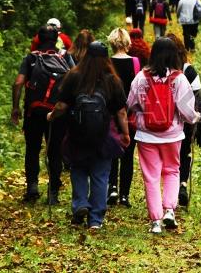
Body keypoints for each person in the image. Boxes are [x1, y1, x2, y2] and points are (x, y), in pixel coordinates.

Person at [47, 41, 130, 230]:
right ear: (106, 58)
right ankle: (95, 220)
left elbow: (61, 106)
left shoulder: (74, 76)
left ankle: (80, 204)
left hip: (77, 133)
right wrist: (125, 133)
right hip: (104, 135)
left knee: (78, 170)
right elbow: (121, 112)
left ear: (85, 56)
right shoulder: (112, 80)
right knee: (101, 176)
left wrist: (51, 116)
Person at [126, 38, 200, 234]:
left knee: (151, 177)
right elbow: (187, 111)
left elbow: (131, 103)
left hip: (146, 135)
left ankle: (155, 222)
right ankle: (169, 210)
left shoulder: (141, 77)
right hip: (173, 134)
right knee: (172, 171)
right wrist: (195, 118)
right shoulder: (179, 78)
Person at [11, 27, 70, 204]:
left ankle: (32, 188)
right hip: (57, 112)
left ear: (38, 39)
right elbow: (76, 79)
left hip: (34, 112)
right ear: (56, 39)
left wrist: (15, 108)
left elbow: (18, 83)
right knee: (55, 151)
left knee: (32, 149)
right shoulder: (65, 57)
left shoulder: (31, 58)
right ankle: (53, 193)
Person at [165, 33, 201, 207]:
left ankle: (168, 190)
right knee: (184, 152)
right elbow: (198, 99)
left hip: (164, 120)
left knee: (167, 157)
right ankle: (182, 183)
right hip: (186, 120)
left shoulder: (158, 69)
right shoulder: (189, 70)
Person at [107, 28, 141, 207]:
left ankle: (111, 187)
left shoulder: (107, 63)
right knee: (128, 155)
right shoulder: (135, 63)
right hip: (130, 114)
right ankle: (124, 195)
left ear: (112, 43)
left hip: (109, 114)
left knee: (111, 152)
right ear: (127, 43)